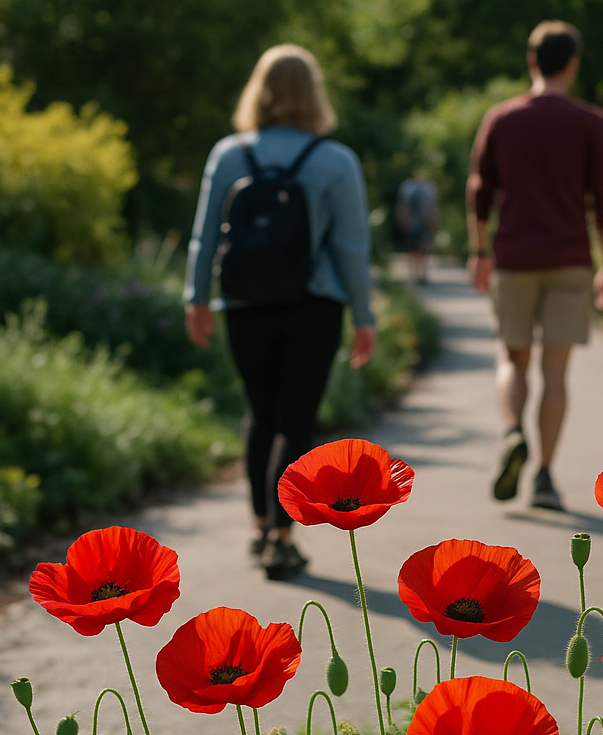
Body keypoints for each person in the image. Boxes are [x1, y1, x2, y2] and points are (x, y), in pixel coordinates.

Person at [183, 44, 375, 578]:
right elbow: (351, 248)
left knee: (260, 413)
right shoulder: (336, 161)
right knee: (296, 420)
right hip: (315, 306)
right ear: (315, 94)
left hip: (245, 304)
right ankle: (282, 536)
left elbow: (205, 235)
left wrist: (196, 299)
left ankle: (259, 525)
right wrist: (364, 316)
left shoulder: (229, 155)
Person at [466, 20, 603, 511]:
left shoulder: (502, 118)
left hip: (514, 259)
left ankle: (513, 431)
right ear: (573, 64)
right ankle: (545, 476)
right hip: (570, 260)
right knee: (556, 372)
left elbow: (479, 190)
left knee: (513, 359)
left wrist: (479, 251)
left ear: (531, 60)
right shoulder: (591, 122)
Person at [395, 171, 439, 283]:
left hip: (426, 222)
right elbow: (402, 204)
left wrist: (433, 221)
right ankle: (414, 273)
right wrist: (403, 219)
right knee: (413, 249)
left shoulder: (430, 187)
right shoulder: (407, 186)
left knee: (425, 248)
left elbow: (433, 206)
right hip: (412, 222)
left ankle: (423, 273)